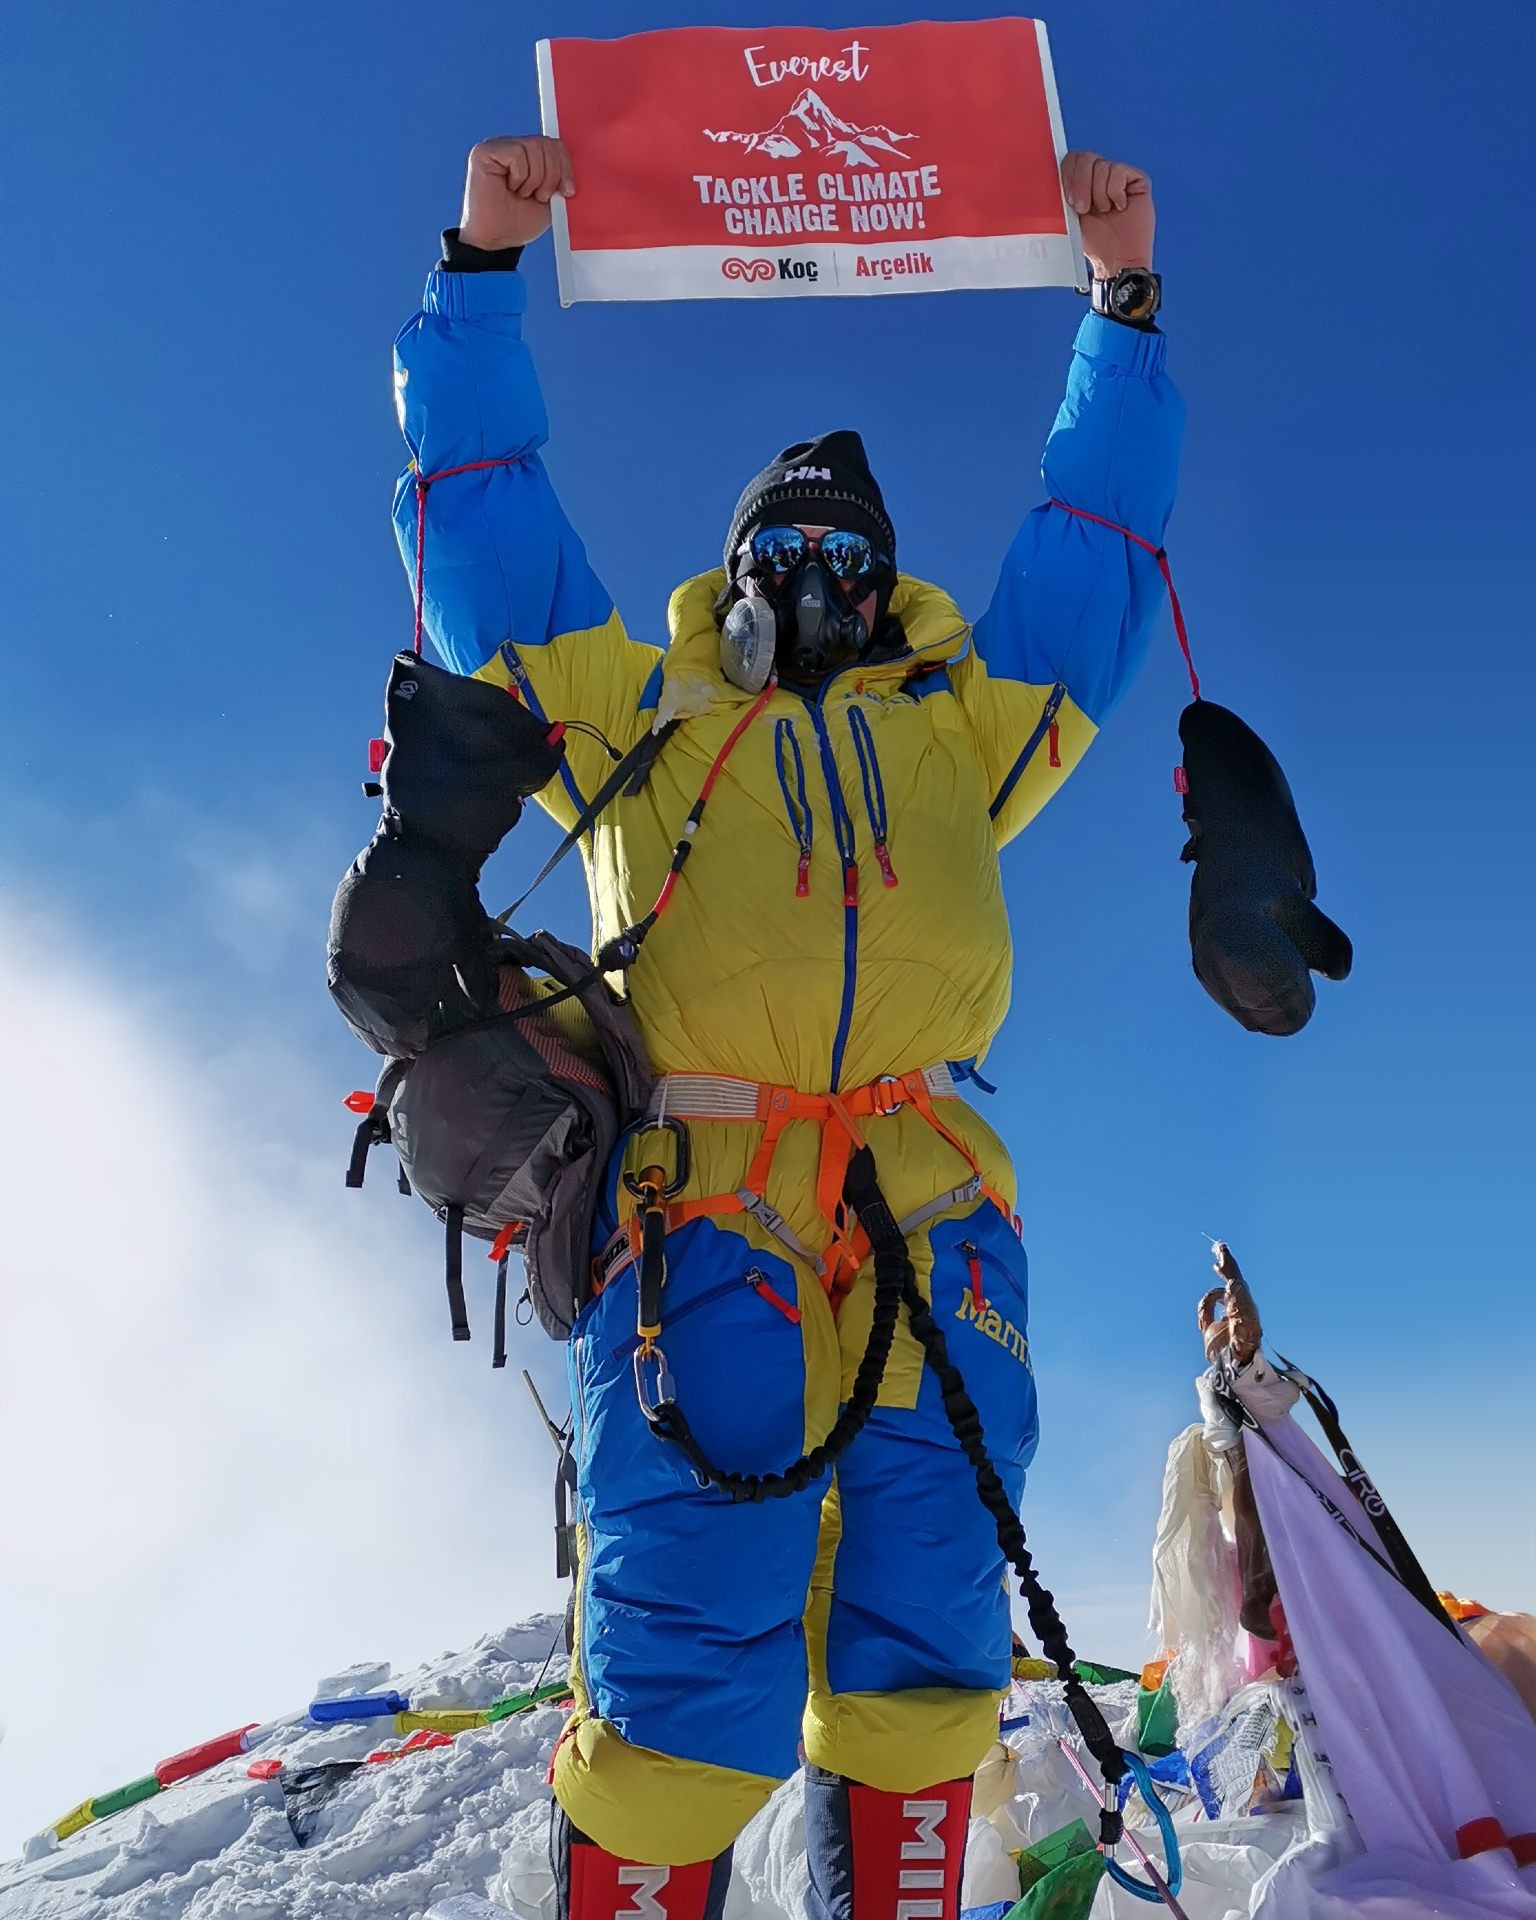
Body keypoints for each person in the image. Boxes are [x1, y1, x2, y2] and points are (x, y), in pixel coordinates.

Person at [389, 134, 1183, 1920]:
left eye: (848, 554)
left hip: (934, 1201)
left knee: (930, 1619)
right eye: (787, 549)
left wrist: (1120, 312)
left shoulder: (958, 730)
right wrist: (483, 269)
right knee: (687, 1629)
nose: (818, 575)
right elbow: (485, 530)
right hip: (704, 1195)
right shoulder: (631, 711)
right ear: (737, 578)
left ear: (885, 580)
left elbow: (1092, 560)